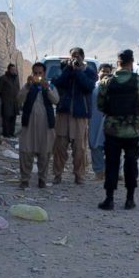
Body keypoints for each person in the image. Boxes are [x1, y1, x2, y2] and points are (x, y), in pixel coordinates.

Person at [97, 49, 139, 210]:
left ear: (117, 63)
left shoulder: (106, 82)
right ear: (132, 62)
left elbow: (100, 106)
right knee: (131, 164)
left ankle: (109, 199)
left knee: (112, 163)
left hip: (112, 130)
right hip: (132, 130)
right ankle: (130, 199)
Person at [52, 47, 97, 185]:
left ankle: (79, 175)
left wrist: (78, 71)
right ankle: (57, 174)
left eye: (77, 56)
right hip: (64, 113)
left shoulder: (89, 71)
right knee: (60, 146)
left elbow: (88, 86)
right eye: (72, 56)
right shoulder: (66, 69)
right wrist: (68, 69)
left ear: (83, 57)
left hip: (80, 115)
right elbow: (58, 83)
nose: (75, 59)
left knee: (80, 148)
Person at [16, 62, 59, 188]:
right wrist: (28, 87)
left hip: (45, 125)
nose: (38, 76)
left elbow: (56, 100)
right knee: (25, 152)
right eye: (35, 73)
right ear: (32, 73)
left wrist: (47, 89)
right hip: (29, 124)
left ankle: (42, 179)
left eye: (40, 73)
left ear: (44, 74)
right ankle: (25, 179)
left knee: (44, 153)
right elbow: (19, 99)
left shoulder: (50, 86)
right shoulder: (28, 86)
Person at [89, 63, 114, 181]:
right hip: (95, 121)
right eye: (103, 71)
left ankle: (116, 172)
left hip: (110, 121)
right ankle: (98, 172)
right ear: (98, 73)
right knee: (95, 146)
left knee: (113, 147)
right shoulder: (92, 88)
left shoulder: (114, 87)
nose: (105, 74)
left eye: (108, 72)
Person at [0, 64, 20, 138]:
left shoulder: (16, 78)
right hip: (6, 101)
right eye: (12, 69)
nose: (14, 71)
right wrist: (4, 98)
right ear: (8, 70)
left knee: (13, 118)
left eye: (14, 69)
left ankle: (11, 133)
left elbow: (18, 88)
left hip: (15, 102)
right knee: (6, 118)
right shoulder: (3, 78)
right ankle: (6, 134)